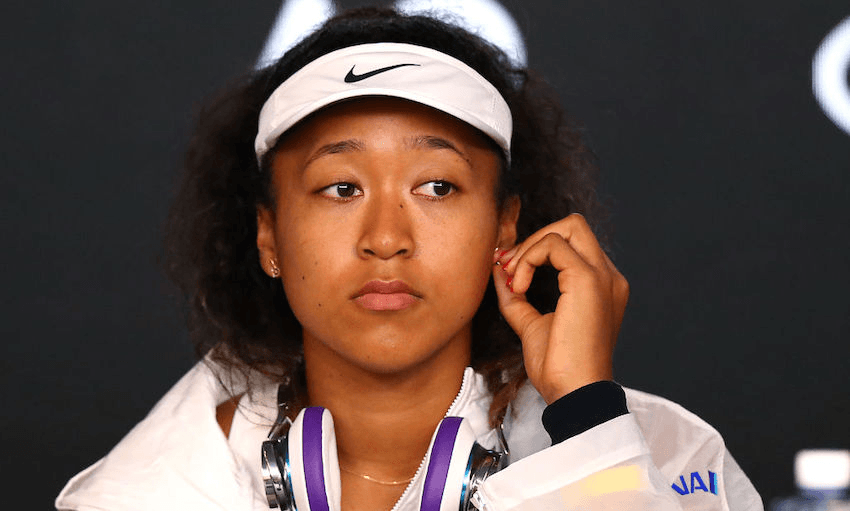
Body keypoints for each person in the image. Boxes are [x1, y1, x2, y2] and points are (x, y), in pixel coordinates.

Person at [56, 7, 763, 511]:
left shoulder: (675, 459)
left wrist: (587, 421)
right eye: (340, 187)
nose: (387, 236)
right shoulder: (148, 491)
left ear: (505, 224)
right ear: (269, 237)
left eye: (437, 186)